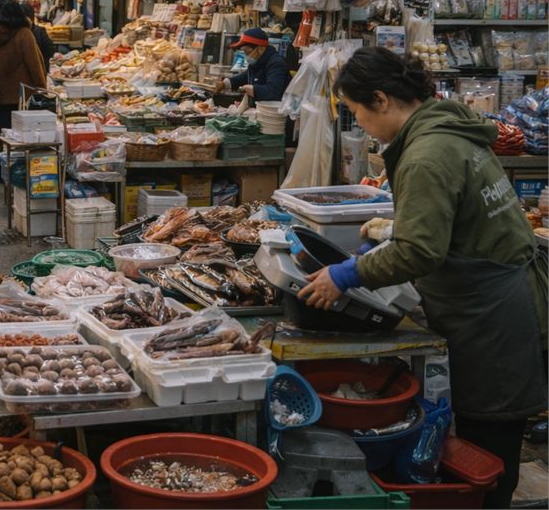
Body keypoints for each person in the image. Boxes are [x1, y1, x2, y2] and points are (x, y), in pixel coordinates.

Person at [299, 47, 546, 509]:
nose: (362, 126)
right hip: (494, 293)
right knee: (488, 435)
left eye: (357, 113)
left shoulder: (426, 155)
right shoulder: (447, 124)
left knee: (490, 446)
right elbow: (455, 219)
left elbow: (420, 252)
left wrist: (347, 273)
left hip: (488, 313)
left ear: (381, 99)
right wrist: (395, 231)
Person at [0, 1, 47, 183]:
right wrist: (42, 89)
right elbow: (34, 64)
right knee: (24, 135)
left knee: (5, 133)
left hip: (3, 93)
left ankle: (1, 169)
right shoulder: (24, 34)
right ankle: (21, 171)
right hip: (24, 94)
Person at [222, 28, 291, 101]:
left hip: (274, 110)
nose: (246, 56)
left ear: (260, 48)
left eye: (247, 52)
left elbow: (273, 91)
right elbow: (245, 76)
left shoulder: (276, 63)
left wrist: (253, 90)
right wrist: (226, 83)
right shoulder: (257, 61)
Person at [22, 3, 55, 72]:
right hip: (41, 70)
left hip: (23, 73)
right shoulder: (39, 31)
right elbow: (50, 50)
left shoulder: (16, 33)